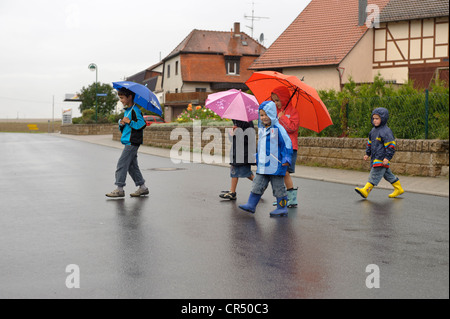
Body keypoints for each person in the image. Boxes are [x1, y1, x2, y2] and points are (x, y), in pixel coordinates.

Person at [239, 101, 293, 217]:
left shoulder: (279, 129)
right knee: (257, 184)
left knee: (278, 188)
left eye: (266, 114)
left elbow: (287, 144)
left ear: (272, 114)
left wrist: (287, 158)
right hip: (263, 165)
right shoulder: (262, 129)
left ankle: (282, 207)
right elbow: (262, 146)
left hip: (276, 165)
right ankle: (251, 204)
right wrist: (257, 157)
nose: (263, 117)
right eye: (261, 115)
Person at [106, 87, 149, 198]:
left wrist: (129, 121)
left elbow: (141, 124)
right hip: (129, 142)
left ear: (129, 97)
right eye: (120, 98)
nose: (121, 100)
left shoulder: (135, 110)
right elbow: (126, 129)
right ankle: (143, 188)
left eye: (122, 98)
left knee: (122, 164)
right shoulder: (128, 111)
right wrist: (122, 124)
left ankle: (119, 189)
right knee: (132, 167)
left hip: (132, 142)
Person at [355, 107, 404, 199]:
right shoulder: (373, 131)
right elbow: (370, 143)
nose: (375, 121)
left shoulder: (386, 132)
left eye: (377, 118)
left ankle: (366, 190)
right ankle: (399, 189)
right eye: (373, 118)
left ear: (383, 118)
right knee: (388, 175)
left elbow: (391, 146)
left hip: (381, 159)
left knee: (374, 174)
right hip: (375, 157)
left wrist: (387, 158)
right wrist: (367, 153)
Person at [271, 86, 300, 207]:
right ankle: (283, 198)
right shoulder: (275, 112)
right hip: (278, 146)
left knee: (285, 172)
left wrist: (282, 117)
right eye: (274, 100)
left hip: (289, 147)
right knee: (280, 173)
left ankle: (291, 198)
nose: (276, 103)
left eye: (278, 100)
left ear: (284, 98)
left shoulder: (293, 112)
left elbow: (292, 128)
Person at [219, 119, 255, 200]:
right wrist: (232, 134)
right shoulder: (237, 122)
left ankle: (259, 185)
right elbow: (233, 140)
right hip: (236, 152)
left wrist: (238, 132)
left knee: (245, 172)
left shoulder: (247, 123)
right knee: (236, 171)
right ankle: (232, 191)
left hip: (244, 153)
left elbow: (249, 139)